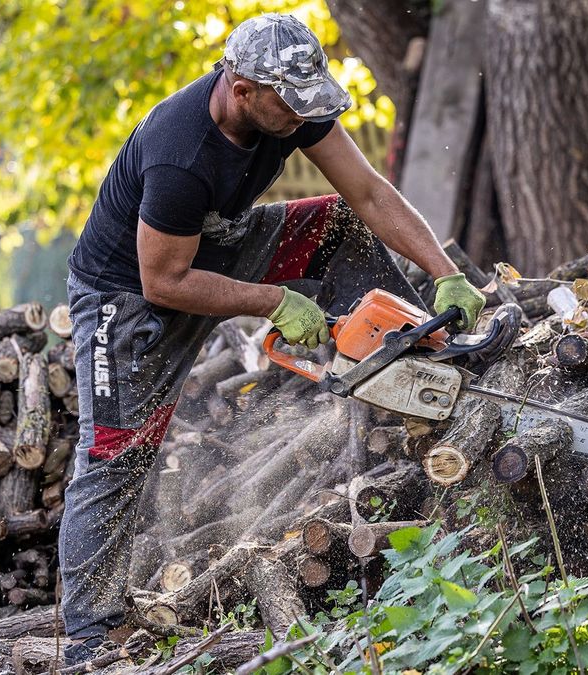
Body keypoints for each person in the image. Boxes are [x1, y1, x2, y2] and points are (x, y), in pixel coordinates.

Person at [59, 13, 485, 664]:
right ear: (240, 86)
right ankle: (88, 638)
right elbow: (163, 281)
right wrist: (274, 301)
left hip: (215, 247)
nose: (300, 116)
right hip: (127, 295)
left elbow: (369, 193)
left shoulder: (292, 106)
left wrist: (446, 274)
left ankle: (402, 352)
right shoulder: (182, 151)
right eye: (287, 102)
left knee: (337, 224)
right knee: (116, 454)